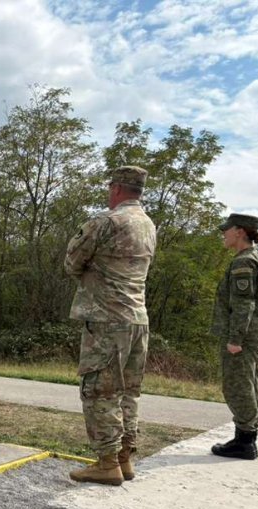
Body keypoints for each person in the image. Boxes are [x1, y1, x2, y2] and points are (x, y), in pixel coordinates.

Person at [64, 165, 156, 486]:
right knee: (128, 392)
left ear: (116, 188)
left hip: (106, 320)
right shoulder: (148, 225)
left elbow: (72, 261)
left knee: (100, 391)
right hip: (138, 319)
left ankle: (106, 463)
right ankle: (124, 459)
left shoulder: (107, 223)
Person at [210, 213, 258, 460]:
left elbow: (244, 305)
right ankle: (245, 437)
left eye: (227, 229)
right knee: (249, 383)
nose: (223, 234)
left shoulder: (243, 262)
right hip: (254, 334)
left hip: (243, 336)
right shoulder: (253, 259)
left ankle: (245, 442)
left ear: (240, 231)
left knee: (237, 385)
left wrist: (235, 339)